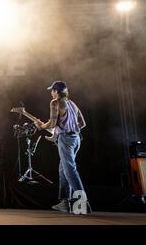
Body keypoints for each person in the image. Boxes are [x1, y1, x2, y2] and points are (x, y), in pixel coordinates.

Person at [34, 81, 91, 214]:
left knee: (70, 170)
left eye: (52, 90)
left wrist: (41, 127)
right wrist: (71, 129)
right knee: (63, 169)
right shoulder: (72, 104)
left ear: (56, 91)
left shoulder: (55, 102)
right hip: (76, 139)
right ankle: (65, 203)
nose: (51, 93)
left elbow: (53, 123)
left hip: (65, 140)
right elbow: (82, 123)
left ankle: (82, 203)